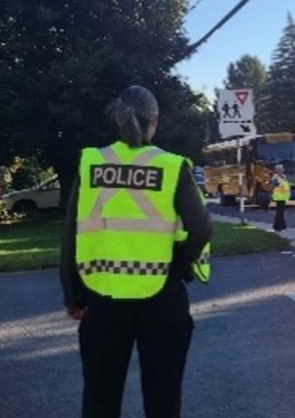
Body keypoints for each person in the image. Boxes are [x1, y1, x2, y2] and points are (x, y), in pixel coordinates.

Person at [60, 85, 212, 418]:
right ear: (154, 121)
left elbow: (71, 234)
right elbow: (201, 229)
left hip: (103, 298)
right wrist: (177, 265)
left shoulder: (91, 164)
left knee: (100, 397)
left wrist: (73, 295)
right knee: (163, 397)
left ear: (117, 118)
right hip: (162, 296)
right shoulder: (172, 167)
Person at [271, 164, 290, 231]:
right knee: (279, 213)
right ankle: (278, 226)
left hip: (283, 197)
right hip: (278, 197)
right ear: (277, 171)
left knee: (281, 213)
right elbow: (273, 186)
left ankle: (282, 226)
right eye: (279, 170)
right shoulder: (275, 178)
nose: (281, 171)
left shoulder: (284, 177)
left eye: (281, 170)